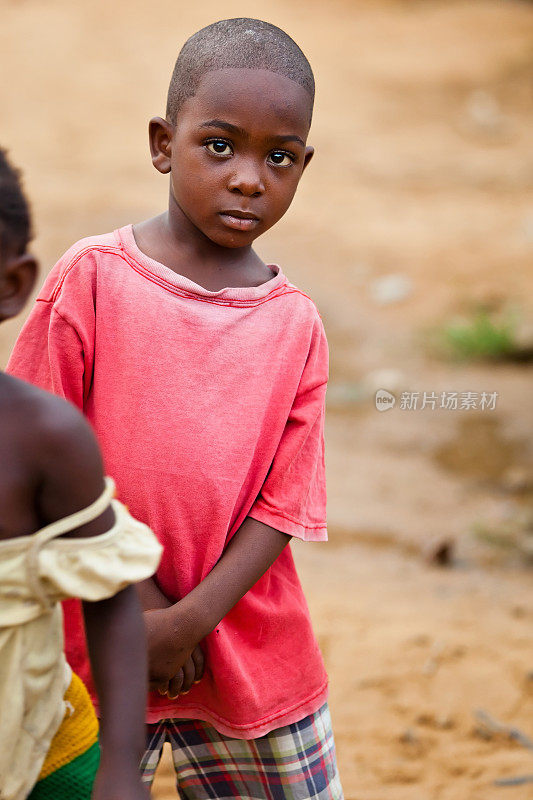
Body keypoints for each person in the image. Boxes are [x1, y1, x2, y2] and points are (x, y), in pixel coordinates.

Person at [8, 17, 344, 800]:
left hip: (245, 647)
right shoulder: (91, 282)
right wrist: (141, 612)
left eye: (279, 157)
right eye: (219, 146)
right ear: (164, 144)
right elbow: (34, 461)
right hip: (91, 634)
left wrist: (187, 622)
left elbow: (283, 505)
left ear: (303, 166)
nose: (248, 178)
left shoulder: (294, 323)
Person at [0, 149, 163, 799]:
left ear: (11, 286)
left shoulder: (43, 438)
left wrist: (122, 770)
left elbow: (111, 595)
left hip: (39, 753)